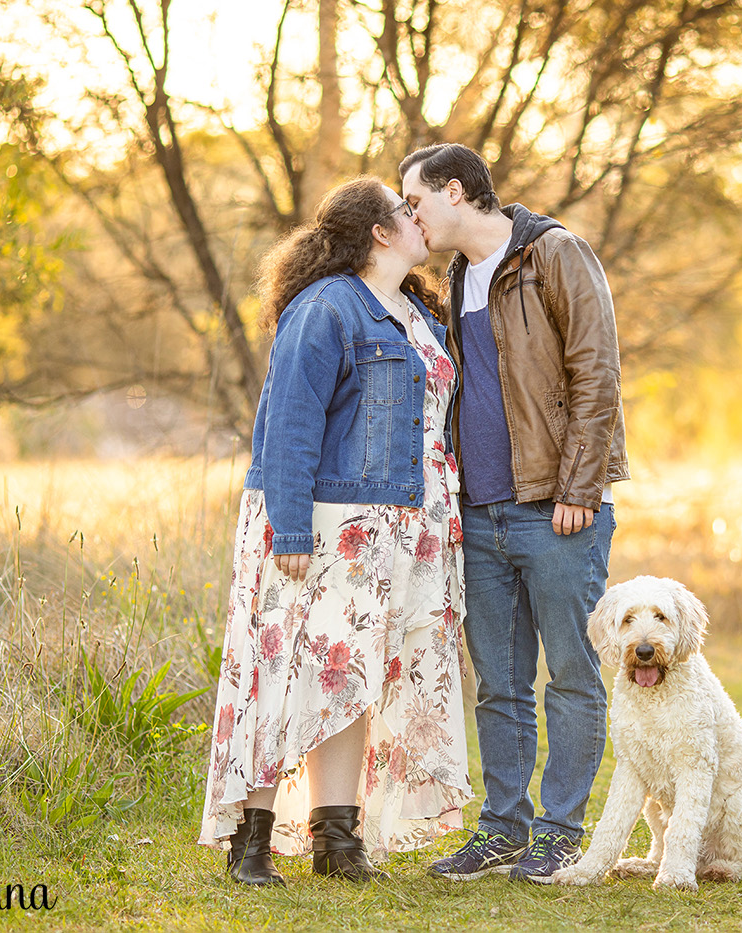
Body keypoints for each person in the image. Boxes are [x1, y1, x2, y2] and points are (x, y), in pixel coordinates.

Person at [198, 177, 471, 885]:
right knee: (284, 674)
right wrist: (288, 529)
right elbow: (288, 425)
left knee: (351, 680)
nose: (420, 222)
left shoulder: (412, 311)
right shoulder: (324, 309)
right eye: (407, 212)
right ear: (381, 233)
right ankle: (250, 842)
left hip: (402, 532)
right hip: (324, 525)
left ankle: (337, 840)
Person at [398, 144, 628, 883]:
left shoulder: (555, 253)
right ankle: (502, 827)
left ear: (456, 192)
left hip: (555, 511)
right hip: (481, 515)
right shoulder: (458, 276)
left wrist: (578, 488)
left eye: (416, 201)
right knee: (497, 681)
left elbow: (596, 370)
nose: (410, 216)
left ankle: (560, 831)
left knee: (570, 675)